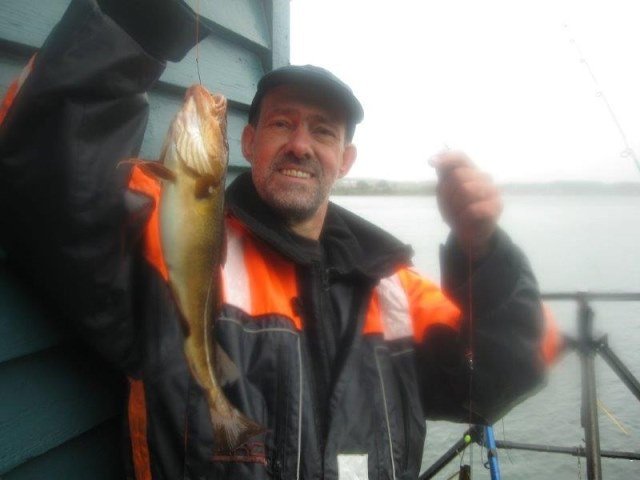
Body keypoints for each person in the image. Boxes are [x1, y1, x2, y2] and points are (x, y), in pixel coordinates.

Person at [0, 1, 559, 479]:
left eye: (323, 131)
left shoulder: (394, 291)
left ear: (346, 160)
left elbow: (492, 378)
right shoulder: (164, 231)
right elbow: (48, 177)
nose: (300, 144)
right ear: (247, 141)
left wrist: (484, 252)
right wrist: (135, 18)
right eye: (280, 123)